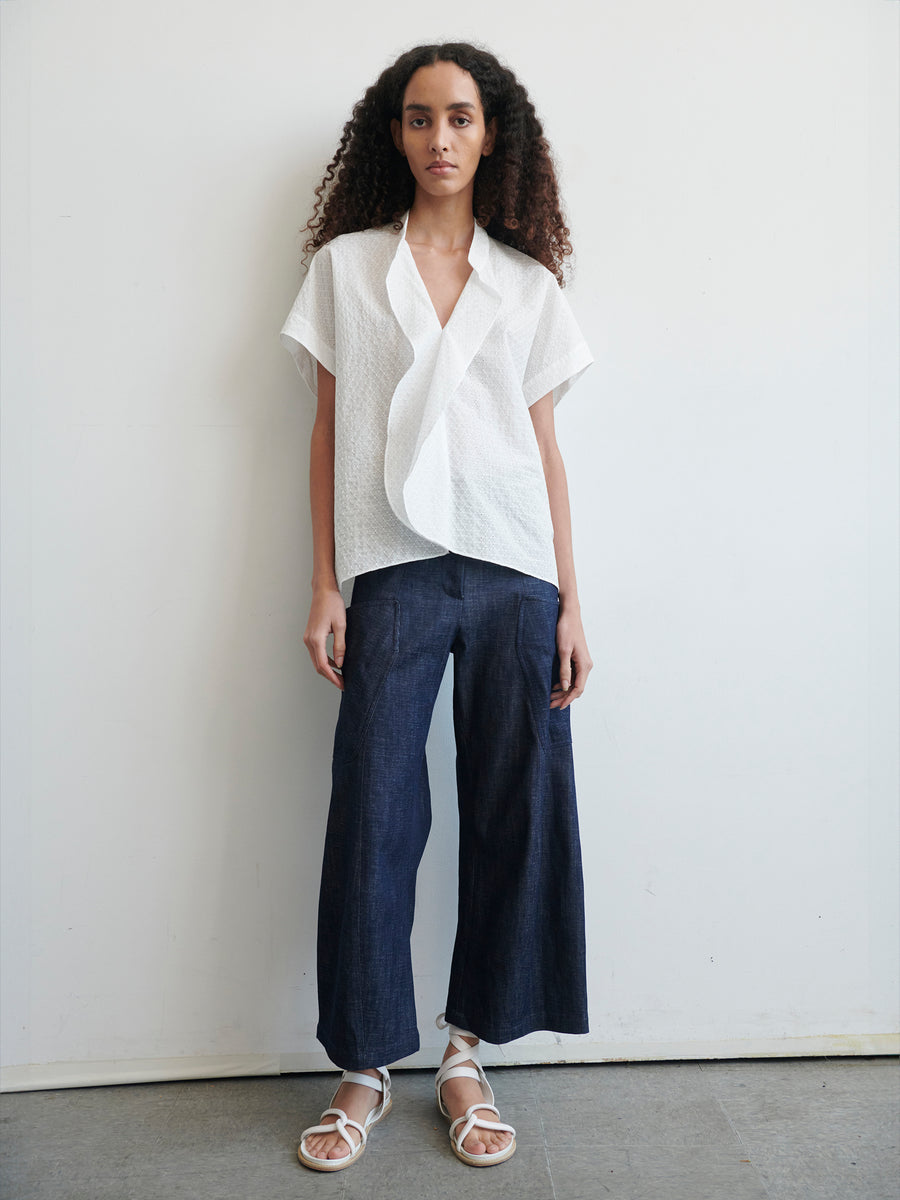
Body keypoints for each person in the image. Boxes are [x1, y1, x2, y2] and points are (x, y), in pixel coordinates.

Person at [279, 41, 593, 1172]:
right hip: (395, 566)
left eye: (461, 117)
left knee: (517, 804)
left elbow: (544, 447)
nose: (441, 137)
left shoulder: (529, 285)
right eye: (420, 118)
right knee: (373, 810)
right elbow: (325, 427)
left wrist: (570, 600)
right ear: (395, 134)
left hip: (514, 569)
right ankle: (365, 1064)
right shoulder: (348, 269)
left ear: (492, 132)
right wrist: (324, 579)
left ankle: (466, 1052)